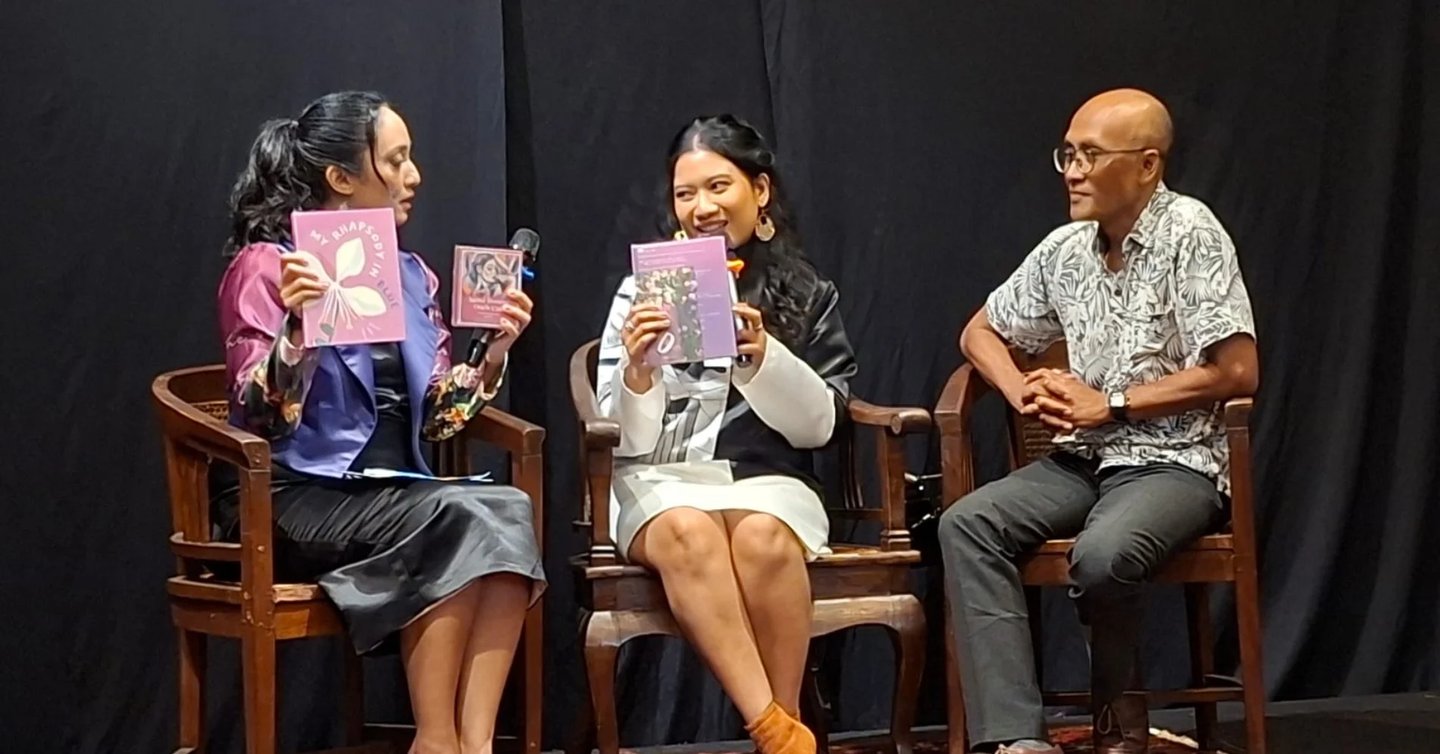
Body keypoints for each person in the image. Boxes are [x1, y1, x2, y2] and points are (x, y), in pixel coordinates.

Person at [215, 90, 545, 754]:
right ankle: (436, 740)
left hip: (397, 491)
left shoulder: (410, 274)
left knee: (506, 506)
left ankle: (474, 743)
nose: (413, 175)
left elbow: (440, 421)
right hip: (295, 494)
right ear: (342, 177)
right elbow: (258, 414)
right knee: (453, 515)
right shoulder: (271, 266)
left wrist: (491, 357)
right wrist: (298, 329)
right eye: (395, 160)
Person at [940, 89, 1259, 754]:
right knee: (967, 525)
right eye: (1068, 155)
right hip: (1084, 457)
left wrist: (1111, 403)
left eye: (1090, 155)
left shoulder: (1191, 234)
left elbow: (1237, 372)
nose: (1073, 172)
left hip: (1176, 461)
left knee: (1104, 555)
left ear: (1146, 165)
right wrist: (1020, 390)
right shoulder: (1065, 249)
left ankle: (1119, 718)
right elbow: (979, 332)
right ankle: (1016, 738)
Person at [595, 114, 858, 754]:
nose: (702, 208)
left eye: (719, 187)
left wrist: (763, 358)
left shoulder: (807, 292)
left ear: (759, 190)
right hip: (658, 481)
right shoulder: (642, 293)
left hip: (766, 481)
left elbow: (821, 425)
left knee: (764, 537)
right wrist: (637, 371)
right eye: (686, 194)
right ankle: (776, 730)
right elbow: (621, 438)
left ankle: (782, 725)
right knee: (688, 530)